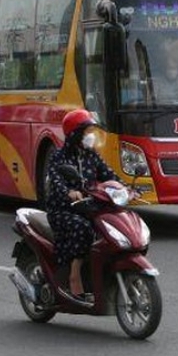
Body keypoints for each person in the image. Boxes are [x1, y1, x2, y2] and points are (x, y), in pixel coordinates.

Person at [46, 109, 121, 301]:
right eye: (86, 132)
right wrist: (69, 193)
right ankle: (74, 276)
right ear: (74, 135)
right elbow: (56, 181)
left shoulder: (91, 155)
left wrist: (127, 189)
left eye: (90, 132)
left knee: (112, 225)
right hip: (63, 209)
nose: (90, 136)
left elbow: (109, 175)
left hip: (89, 206)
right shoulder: (59, 157)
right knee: (83, 228)